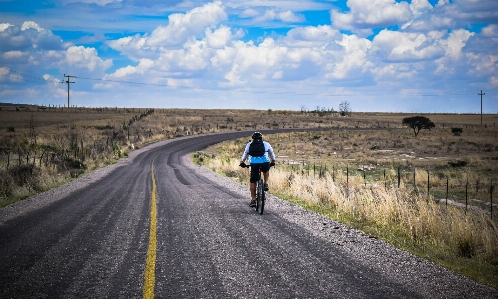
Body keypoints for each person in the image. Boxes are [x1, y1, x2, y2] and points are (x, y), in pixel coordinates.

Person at [239, 132, 276, 207]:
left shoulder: (249, 144)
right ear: (261, 138)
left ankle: (253, 200)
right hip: (265, 162)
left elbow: (245, 154)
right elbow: (272, 154)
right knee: (266, 169)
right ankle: (265, 184)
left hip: (254, 164)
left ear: (253, 138)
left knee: (253, 181)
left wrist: (242, 162)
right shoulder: (266, 144)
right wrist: (273, 161)